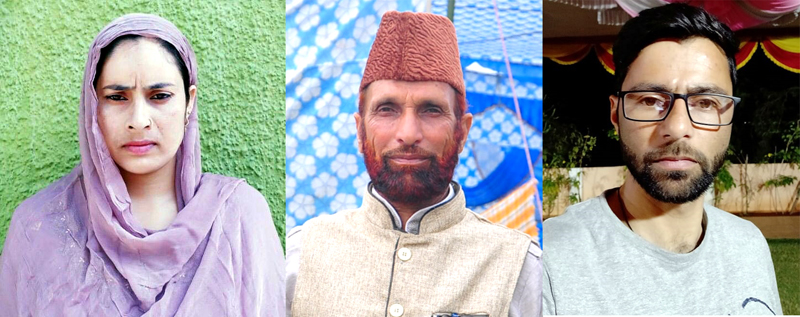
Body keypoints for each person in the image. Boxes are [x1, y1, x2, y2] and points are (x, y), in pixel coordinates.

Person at [0, 14, 284, 316]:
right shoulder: (39, 228)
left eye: (159, 96)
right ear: (93, 105)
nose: (138, 121)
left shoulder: (240, 217)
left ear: (189, 102)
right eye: (117, 97)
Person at [286, 11, 542, 317]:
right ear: (359, 130)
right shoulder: (299, 256)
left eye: (431, 110)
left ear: (462, 133)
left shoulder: (520, 268)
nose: (408, 134)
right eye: (387, 109)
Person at [542, 3, 781, 315]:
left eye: (705, 102)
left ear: (730, 117)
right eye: (650, 100)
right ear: (615, 115)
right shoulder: (548, 262)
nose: (677, 128)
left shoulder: (748, 245)